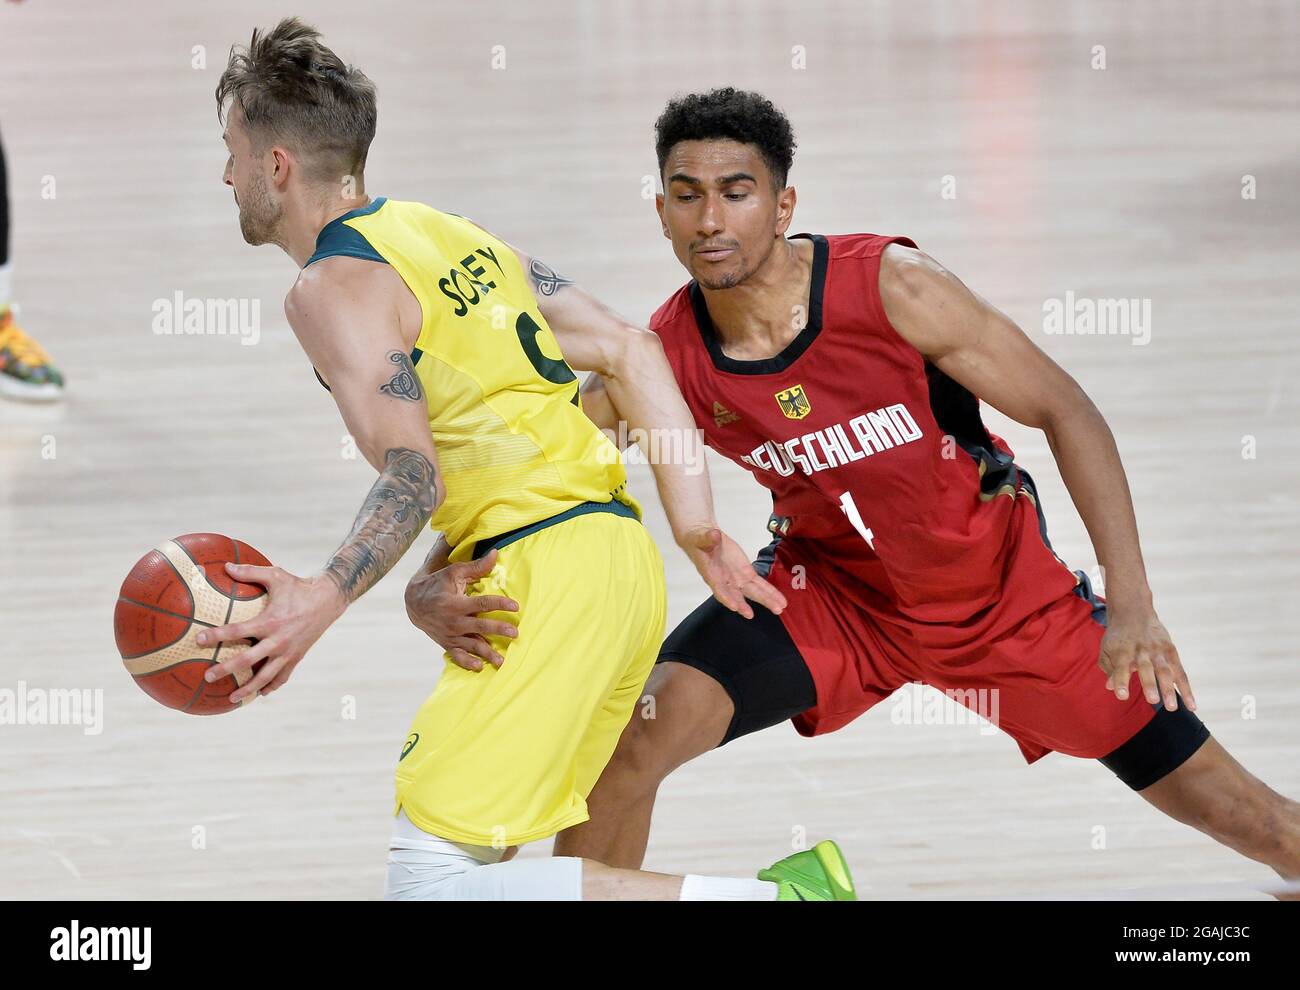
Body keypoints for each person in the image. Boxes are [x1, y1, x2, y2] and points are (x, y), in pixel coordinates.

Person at [408, 87, 1300, 891]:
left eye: (737, 191)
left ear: (784, 203)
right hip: (827, 599)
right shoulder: (667, 356)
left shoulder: (894, 289)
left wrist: (1134, 603)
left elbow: (1068, 412)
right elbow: (533, 463)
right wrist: (426, 579)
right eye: (687, 195)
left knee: (1257, 823)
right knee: (626, 748)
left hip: (1006, 610)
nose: (710, 219)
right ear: (661, 211)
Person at [198, 22, 854, 901]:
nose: (226, 176)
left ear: (277, 165)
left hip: (539, 581)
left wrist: (324, 595)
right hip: (611, 566)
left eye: (233, 153)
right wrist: (696, 526)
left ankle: (784, 902)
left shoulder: (328, 289)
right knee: (495, 876)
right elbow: (629, 348)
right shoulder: (444, 232)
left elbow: (414, 471)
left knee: (430, 886)